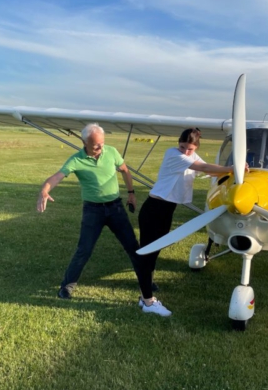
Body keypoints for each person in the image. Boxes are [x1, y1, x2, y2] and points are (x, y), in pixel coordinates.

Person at [36, 123, 171, 317]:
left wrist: (131, 193)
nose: (101, 147)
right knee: (84, 250)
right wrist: (45, 190)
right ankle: (67, 286)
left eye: (102, 143)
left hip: (116, 208)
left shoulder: (111, 152)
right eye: (96, 144)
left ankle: (146, 283)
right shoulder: (76, 159)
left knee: (134, 247)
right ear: (84, 142)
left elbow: (125, 170)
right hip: (93, 211)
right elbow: (58, 176)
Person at [137, 128, 246, 315]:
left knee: (155, 250)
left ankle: (146, 288)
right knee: (147, 252)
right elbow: (204, 168)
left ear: (196, 147)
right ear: (178, 144)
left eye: (190, 149)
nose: (186, 151)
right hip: (154, 209)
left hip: (167, 210)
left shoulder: (192, 156)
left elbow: (212, 172)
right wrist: (232, 168)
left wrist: (239, 173)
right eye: (183, 147)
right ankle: (148, 302)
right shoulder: (173, 154)